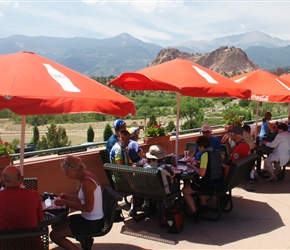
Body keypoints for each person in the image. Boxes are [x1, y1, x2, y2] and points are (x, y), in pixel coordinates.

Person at [50, 155, 104, 250]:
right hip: (87, 217)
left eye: (67, 172)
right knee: (56, 225)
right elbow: (84, 198)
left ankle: (82, 239)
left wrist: (66, 203)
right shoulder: (85, 176)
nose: (66, 175)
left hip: (92, 222)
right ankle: (83, 238)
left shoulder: (87, 182)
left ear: (74, 170)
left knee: (54, 235)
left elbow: (88, 208)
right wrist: (69, 197)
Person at [182, 136, 223, 221]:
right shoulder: (216, 152)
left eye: (198, 147)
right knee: (197, 182)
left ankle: (195, 213)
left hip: (209, 183)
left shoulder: (205, 154)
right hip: (218, 180)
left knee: (185, 190)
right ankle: (204, 206)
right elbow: (211, 163)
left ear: (201, 146)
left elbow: (201, 173)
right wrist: (198, 162)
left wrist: (193, 166)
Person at [0, 165, 44, 230]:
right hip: (31, 239)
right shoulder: (34, 195)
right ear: (22, 179)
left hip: (4, 239)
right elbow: (40, 217)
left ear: (2, 182)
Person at [143, 145, 179, 210]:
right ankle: (169, 204)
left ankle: (147, 204)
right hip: (165, 192)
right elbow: (173, 175)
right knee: (174, 183)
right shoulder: (163, 168)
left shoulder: (145, 167)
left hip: (151, 191)